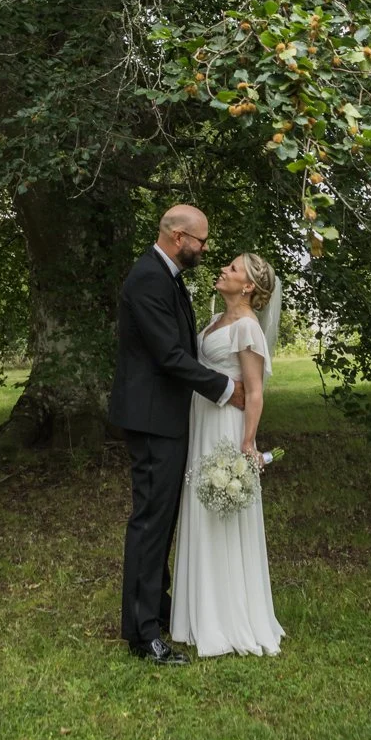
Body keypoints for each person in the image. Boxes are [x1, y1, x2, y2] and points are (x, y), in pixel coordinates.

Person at [109, 205, 247, 666]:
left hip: (165, 416)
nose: (205, 249)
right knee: (150, 522)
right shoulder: (149, 278)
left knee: (162, 518)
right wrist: (225, 388)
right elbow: (169, 355)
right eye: (201, 241)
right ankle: (142, 632)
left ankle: (158, 606)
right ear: (178, 237)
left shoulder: (166, 275)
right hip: (152, 419)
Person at [170, 252, 284, 657]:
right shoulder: (216, 320)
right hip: (201, 421)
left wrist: (247, 444)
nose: (224, 269)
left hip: (226, 429)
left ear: (248, 286)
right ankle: (196, 612)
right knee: (201, 509)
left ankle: (228, 616)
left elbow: (255, 392)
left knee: (222, 513)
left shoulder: (248, 328)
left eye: (233, 269)